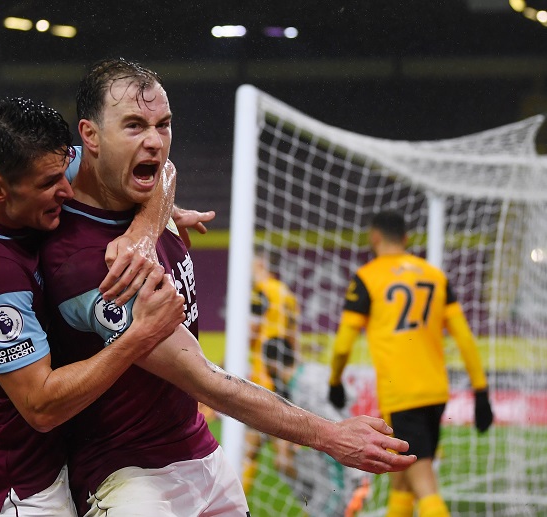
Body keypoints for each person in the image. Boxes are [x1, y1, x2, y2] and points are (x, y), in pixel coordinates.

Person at [40, 57, 417, 517]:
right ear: (90, 136)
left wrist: (146, 228)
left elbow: (166, 171)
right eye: (134, 125)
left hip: (200, 453)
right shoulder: (91, 264)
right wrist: (330, 436)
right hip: (129, 476)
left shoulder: (141, 207)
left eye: (164, 124)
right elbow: (204, 379)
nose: (155, 142)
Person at [0, 96, 192, 516]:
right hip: (19, 489)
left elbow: (160, 170)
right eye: (51, 184)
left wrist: (150, 222)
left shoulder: (23, 172)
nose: (68, 190)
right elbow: (41, 406)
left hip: (59, 465)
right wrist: (138, 336)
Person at [327, 209, 494, 517]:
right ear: (406, 239)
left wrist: (335, 380)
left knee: (424, 484)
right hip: (436, 392)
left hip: (402, 395)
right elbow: (465, 339)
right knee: (401, 481)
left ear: (374, 237)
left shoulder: (368, 277)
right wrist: (481, 391)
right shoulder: (435, 276)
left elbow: (342, 345)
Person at [242, 253, 300, 494]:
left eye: (254, 263)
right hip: (281, 377)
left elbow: (251, 333)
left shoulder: (261, 292)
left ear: (263, 265)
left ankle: (323, 499)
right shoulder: (287, 294)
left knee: (278, 458)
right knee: (250, 451)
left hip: (263, 377)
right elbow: (294, 339)